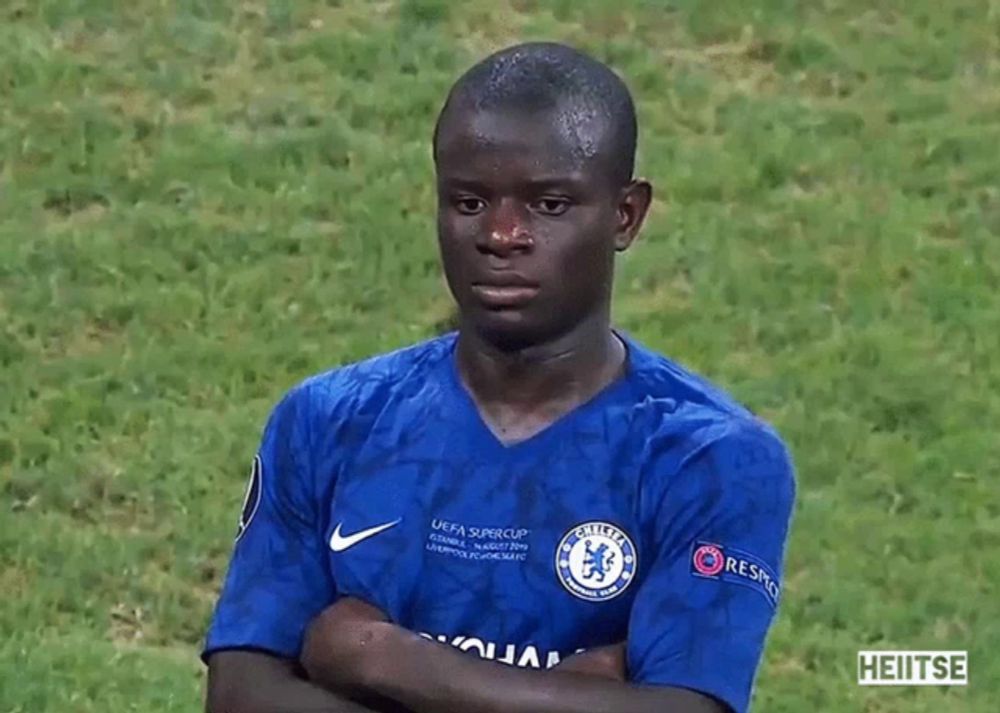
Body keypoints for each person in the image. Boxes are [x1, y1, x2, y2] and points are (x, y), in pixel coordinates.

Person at [203, 42, 796, 713]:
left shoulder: (711, 458)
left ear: (625, 215)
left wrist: (377, 655)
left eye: (548, 204)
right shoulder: (328, 422)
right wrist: (568, 695)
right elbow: (239, 696)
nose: (503, 234)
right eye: (468, 201)